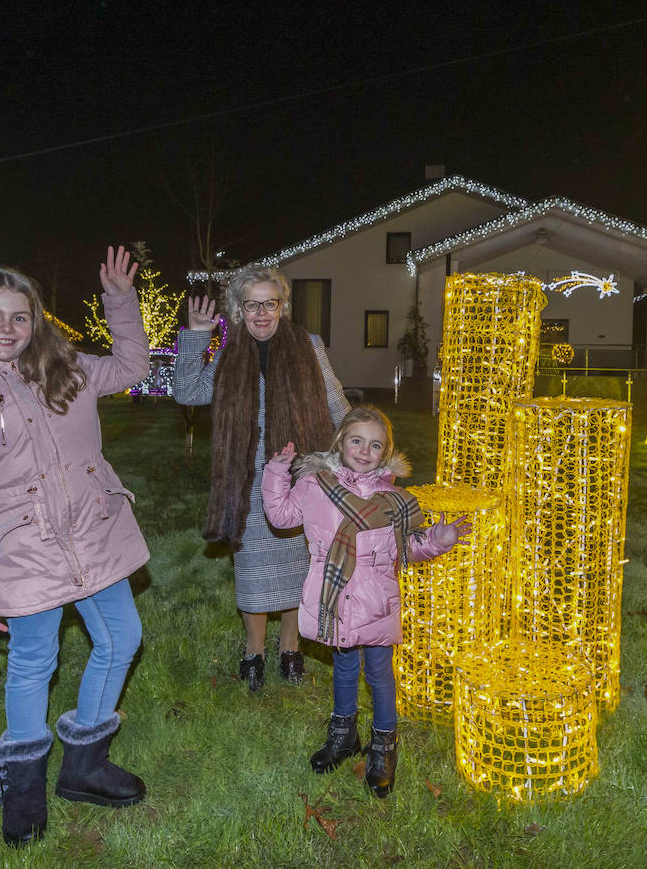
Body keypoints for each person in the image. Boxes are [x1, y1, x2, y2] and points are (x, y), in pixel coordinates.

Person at [0, 248, 151, 847]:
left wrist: (121, 301)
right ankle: (22, 785)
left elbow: (131, 366)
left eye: (20, 317)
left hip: (94, 532)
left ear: (36, 323)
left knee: (122, 637)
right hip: (26, 550)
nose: (6, 328)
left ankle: (85, 765)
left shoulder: (65, 368)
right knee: (33, 662)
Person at [261, 405, 470, 797]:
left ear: (385, 452)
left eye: (375, 445)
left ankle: (384, 746)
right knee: (343, 669)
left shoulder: (394, 500)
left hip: (376, 603)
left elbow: (406, 548)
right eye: (356, 440)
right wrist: (276, 473)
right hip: (337, 599)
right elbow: (281, 515)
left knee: (379, 675)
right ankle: (343, 736)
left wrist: (437, 541)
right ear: (341, 442)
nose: (364, 450)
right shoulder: (315, 485)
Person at [171, 266, 349, 691]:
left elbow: (336, 402)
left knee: (299, 565)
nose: (263, 313)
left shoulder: (310, 345)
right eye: (253, 304)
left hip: (301, 476)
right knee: (252, 567)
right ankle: (254, 651)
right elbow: (186, 391)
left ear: (282, 306)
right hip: (247, 479)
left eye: (271, 303)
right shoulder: (231, 354)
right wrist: (196, 335)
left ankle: (290, 648)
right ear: (238, 309)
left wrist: (360, 454)